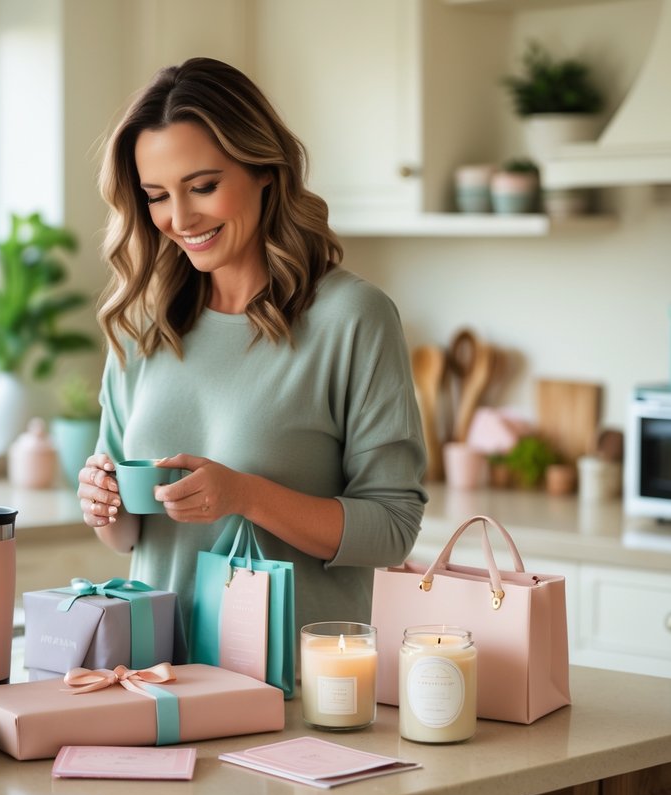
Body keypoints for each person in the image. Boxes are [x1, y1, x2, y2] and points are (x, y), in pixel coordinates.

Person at [77, 57, 427, 635]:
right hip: (158, 680)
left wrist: (244, 495)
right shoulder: (144, 323)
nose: (180, 218)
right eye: (157, 195)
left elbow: (393, 527)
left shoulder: (352, 319)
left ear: (266, 169)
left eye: (204, 187)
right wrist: (102, 504)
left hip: (294, 691)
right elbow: (128, 537)